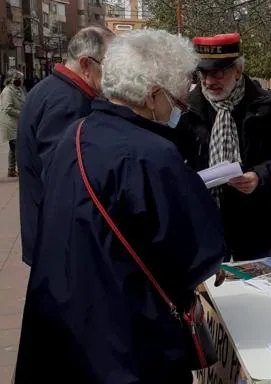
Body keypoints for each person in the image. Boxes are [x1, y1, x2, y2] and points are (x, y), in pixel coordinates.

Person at [15, 29, 225, 383]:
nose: (177, 111)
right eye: (177, 101)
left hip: (66, 325)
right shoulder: (153, 155)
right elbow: (198, 252)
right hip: (129, 341)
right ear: (153, 95)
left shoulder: (75, 134)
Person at [178, 32, 271, 261]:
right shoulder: (185, 109)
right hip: (202, 228)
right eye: (202, 73)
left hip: (255, 230)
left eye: (217, 73)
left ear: (238, 70)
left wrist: (259, 177)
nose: (208, 82)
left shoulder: (269, 108)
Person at [17, 26, 115, 266]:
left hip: (51, 237)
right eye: (110, 65)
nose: (115, 74)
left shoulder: (50, 88)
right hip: (62, 245)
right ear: (85, 64)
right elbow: (66, 180)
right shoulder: (69, 103)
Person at [0, 70, 25, 177]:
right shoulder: (7, 91)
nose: (21, 81)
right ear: (11, 80)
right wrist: (22, 113)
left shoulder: (18, 89)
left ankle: (11, 169)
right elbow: (8, 108)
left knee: (14, 147)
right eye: (18, 78)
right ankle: (20, 169)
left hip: (17, 122)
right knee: (17, 147)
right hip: (11, 123)